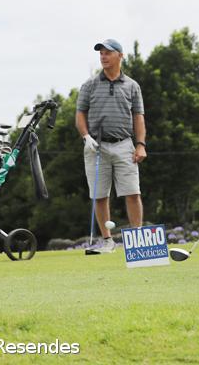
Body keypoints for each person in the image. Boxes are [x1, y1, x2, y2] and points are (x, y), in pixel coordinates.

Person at [75, 39, 147, 253]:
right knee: (99, 195)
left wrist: (140, 144)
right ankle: (107, 241)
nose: (103, 57)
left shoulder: (132, 86)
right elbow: (80, 115)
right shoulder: (89, 85)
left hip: (124, 144)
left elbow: (138, 117)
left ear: (120, 56)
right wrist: (86, 136)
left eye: (108, 53)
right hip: (96, 146)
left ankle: (137, 240)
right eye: (101, 53)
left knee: (133, 192)